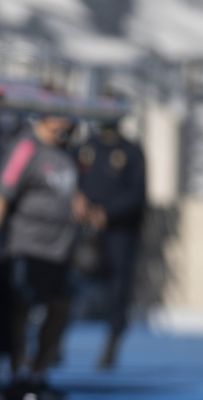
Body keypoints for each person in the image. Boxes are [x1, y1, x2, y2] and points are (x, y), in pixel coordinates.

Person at [0, 112, 85, 394]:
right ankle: (18, 372)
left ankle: (39, 370)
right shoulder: (26, 147)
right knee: (22, 308)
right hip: (29, 245)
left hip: (61, 248)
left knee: (60, 309)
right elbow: (4, 190)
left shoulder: (66, 152)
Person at [75, 117, 146, 369]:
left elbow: (137, 194)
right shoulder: (86, 147)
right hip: (85, 230)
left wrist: (108, 214)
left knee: (118, 289)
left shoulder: (130, 150)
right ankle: (55, 346)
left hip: (119, 232)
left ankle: (112, 342)